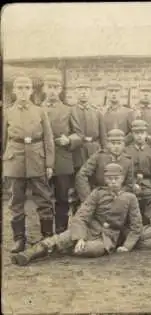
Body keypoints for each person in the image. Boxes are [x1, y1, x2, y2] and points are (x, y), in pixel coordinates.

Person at [11, 163, 143, 266]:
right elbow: (82, 215)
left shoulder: (130, 198)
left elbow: (136, 226)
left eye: (116, 178)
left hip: (106, 237)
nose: (113, 181)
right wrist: (80, 237)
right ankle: (27, 255)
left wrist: (127, 246)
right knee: (59, 238)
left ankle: (58, 249)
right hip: (89, 228)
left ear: (123, 179)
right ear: (105, 179)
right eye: (109, 178)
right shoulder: (97, 193)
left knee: (91, 250)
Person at [3, 75, 56, 253]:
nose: (23, 91)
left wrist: (49, 163)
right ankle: (19, 239)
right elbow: (3, 140)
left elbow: (48, 139)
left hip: (37, 159)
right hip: (15, 160)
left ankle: (47, 238)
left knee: (44, 199)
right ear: (14, 91)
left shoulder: (40, 111)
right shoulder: (7, 112)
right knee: (16, 201)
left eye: (27, 88)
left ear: (32, 91)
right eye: (20, 88)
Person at [41, 74, 82, 234]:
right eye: (49, 87)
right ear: (44, 89)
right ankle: (46, 234)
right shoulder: (38, 109)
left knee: (62, 197)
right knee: (43, 198)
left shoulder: (68, 109)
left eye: (55, 87)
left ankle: (61, 231)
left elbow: (79, 134)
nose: (52, 91)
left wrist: (69, 139)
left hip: (62, 159)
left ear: (60, 89)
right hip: (42, 159)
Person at [75, 129, 134, 204]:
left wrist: (119, 193)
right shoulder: (98, 156)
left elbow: (129, 184)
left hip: (119, 196)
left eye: (119, 143)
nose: (116, 146)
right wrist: (88, 198)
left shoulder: (127, 160)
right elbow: (81, 175)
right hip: (99, 194)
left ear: (124, 145)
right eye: (113, 143)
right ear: (107, 144)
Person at [125, 120, 151, 225]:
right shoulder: (126, 151)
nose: (139, 136)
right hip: (130, 185)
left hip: (148, 186)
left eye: (142, 133)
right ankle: (131, 224)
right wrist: (132, 185)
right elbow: (123, 173)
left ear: (146, 134)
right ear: (132, 134)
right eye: (136, 133)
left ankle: (144, 222)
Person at [70, 79, 107, 172]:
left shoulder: (97, 112)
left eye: (86, 90)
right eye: (80, 89)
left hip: (94, 149)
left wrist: (105, 151)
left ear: (90, 92)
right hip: (77, 150)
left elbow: (103, 135)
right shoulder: (70, 111)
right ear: (75, 92)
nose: (83, 92)